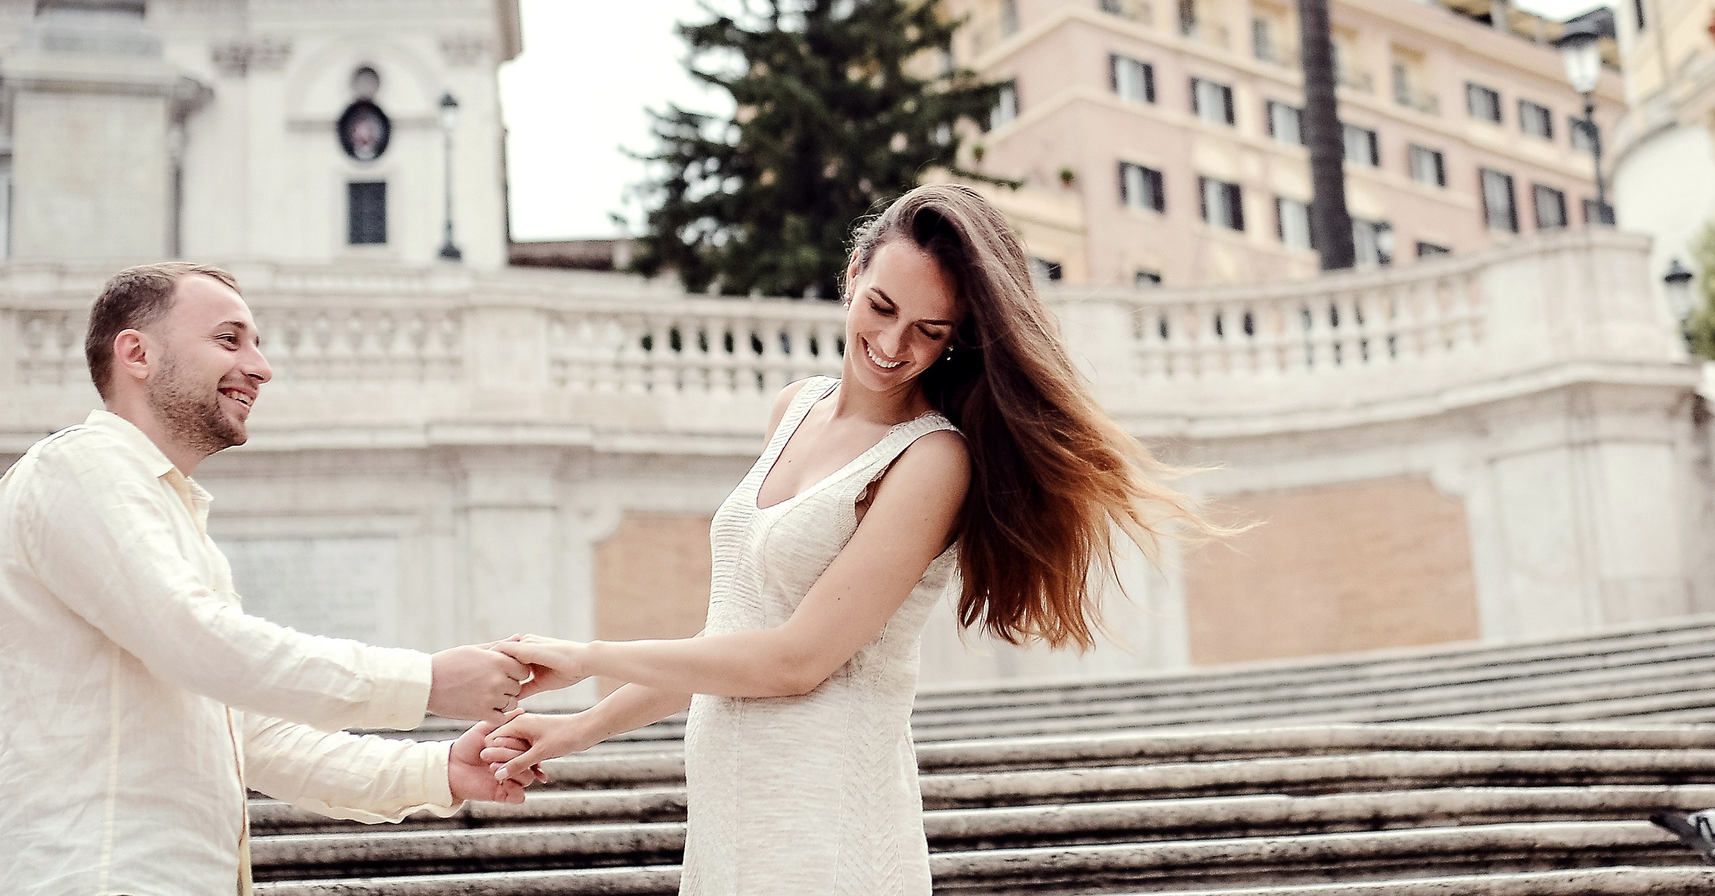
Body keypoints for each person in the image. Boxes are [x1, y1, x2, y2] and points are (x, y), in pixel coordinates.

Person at [484, 183, 1208, 894]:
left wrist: (588, 655)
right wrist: (581, 727)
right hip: (735, 808)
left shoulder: (932, 459)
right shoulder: (793, 407)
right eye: (882, 307)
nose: (894, 344)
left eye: (930, 330)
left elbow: (797, 658)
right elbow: (734, 634)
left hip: (826, 816)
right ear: (853, 273)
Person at [0, 260, 531, 896]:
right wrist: (428, 682)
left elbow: (249, 733)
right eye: (228, 339)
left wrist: (440, 770)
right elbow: (202, 642)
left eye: (257, 345)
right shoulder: (76, 469)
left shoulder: (160, 506)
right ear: (136, 353)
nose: (261, 368)